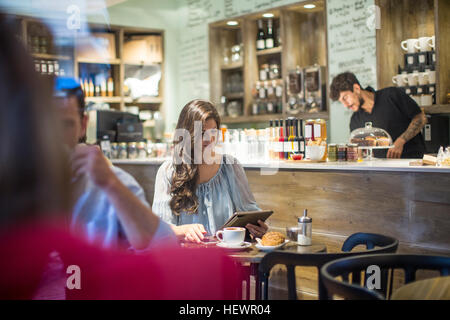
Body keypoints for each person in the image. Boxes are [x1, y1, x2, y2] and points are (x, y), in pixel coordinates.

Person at [0, 14, 242, 300]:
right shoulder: (164, 172)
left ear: (82, 123)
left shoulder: (114, 185)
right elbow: (209, 270)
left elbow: (153, 250)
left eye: (62, 124)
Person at [54, 78, 177, 250]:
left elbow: (165, 247)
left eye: (65, 125)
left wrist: (111, 184)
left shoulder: (111, 183)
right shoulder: (9, 188)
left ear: (83, 125)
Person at [152, 99, 268, 243]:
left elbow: (250, 214)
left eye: (213, 131)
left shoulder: (230, 167)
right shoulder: (169, 171)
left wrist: (259, 229)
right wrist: (183, 230)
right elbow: (157, 230)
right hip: (186, 260)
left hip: (228, 259)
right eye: (201, 132)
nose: (209, 138)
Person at [330, 72, 426, 159]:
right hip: (381, 172)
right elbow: (359, 151)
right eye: (341, 102)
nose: (345, 105)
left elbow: (421, 118)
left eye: (345, 98)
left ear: (356, 88)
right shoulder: (355, 120)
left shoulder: (391, 95)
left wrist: (401, 141)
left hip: (413, 163)